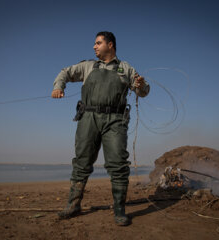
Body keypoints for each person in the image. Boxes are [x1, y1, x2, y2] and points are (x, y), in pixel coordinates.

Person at [51, 31, 149, 226]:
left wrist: (141, 84)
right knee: (81, 161)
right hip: (88, 118)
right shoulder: (88, 66)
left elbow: (142, 92)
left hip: (116, 120)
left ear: (110, 45)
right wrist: (58, 86)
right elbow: (65, 72)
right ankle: (73, 205)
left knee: (119, 164)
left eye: (98, 43)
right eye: (94, 44)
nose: (94, 47)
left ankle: (119, 211)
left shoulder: (125, 68)